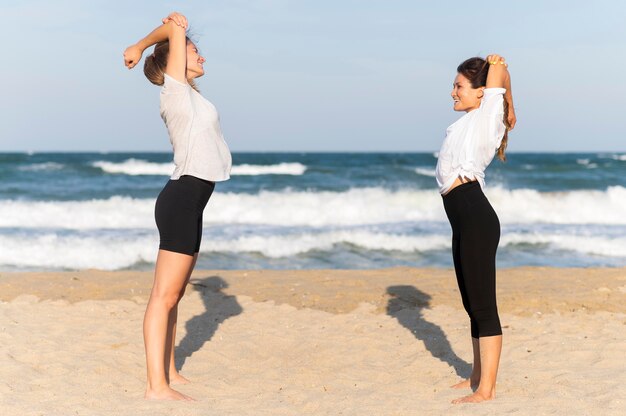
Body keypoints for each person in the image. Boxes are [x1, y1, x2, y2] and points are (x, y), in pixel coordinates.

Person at [123, 12, 232, 400]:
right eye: (195, 51)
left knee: (175, 295)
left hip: (193, 201)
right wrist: (142, 44)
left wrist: (169, 38)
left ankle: (169, 369)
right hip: (182, 199)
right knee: (163, 296)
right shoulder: (174, 91)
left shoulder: (192, 97)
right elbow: (171, 30)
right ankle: (157, 387)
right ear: (175, 60)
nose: (202, 57)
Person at [435, 54, 516, 404]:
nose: (452, 91)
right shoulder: (468, 121)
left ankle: (487, 390)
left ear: (481, 92)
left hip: (475, 216)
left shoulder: (486, 117)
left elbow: (499, 70)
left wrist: (496, 68)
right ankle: (476, 376)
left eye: (459, 86)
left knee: (483, 305)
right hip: (462, 218)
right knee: (471, 303)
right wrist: (512, 106)